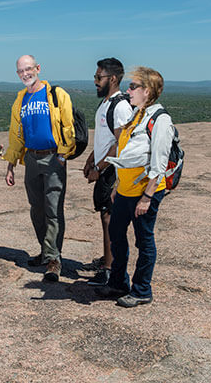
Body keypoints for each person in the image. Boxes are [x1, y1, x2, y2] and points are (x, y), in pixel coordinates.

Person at [95, 66, 175, 308]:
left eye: (133, 87)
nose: (128, 90)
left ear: (147, 91)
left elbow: (159, 163)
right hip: (126, 190)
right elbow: (126, 153)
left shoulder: (160, 120)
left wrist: (147, 197)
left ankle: (142, 290)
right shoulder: (136, 114)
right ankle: (119, 283)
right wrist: (118, 186)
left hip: (144, 193)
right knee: (117, 236)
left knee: (144, 241)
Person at [4, 55, 75, 282]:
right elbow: (16, 133)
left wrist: (63, 156)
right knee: (36, 208)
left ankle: (54, 259)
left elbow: (68, 126)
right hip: (31, 159)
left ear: (38, 68)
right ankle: (46, 252)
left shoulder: (56, 94)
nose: (25, 74)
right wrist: (11, 164)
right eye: (20, 71)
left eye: (28, 69)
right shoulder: (21, 99)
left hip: (54, 157)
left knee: (53, 209)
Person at [83, 58, 133, 286]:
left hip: (113, 170)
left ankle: (110, 270)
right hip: (104, 167)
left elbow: (120, 143)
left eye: (98, 77)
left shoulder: (120, 106)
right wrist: (91, 159)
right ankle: (108, 260)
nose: (95, 81)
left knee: (108, 218)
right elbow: (105, 138)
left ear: (112, 79)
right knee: (105, 216)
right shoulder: (106, 103)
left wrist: (99, 168)